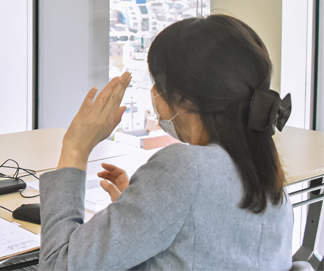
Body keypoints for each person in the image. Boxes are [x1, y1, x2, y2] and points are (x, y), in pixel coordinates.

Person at [39, 14, 293, 270]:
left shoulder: (186, 168)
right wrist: (144, 206)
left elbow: (57, 264)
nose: (154, 94)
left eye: (158, 83)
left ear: (187, 99)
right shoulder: (270, 177)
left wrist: (75, 147)